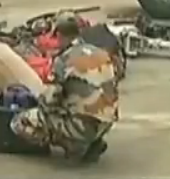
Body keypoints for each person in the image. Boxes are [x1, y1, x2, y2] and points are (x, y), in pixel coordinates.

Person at [11, 11, 119, 163]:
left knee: (20, 122)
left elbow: (50, 100)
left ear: (59, 35)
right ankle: (93, 141)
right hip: (106, 123)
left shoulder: (64, 60)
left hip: (82, 126)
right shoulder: (100, 52)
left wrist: (38, 101)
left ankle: (74, 146)